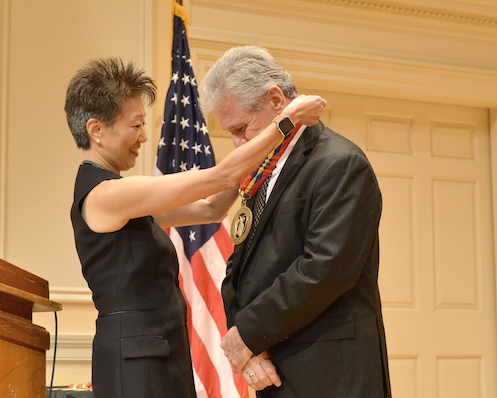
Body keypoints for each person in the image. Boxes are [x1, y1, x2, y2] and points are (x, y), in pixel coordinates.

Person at [64, 57, 326, 398]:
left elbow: (211, 208)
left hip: (161, 349)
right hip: (135, 359)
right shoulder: (105, 195)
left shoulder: (122, 198)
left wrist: (259, 154)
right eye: (135, 126)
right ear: (97, 130)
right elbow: (220, 177)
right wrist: (283, 123)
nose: (144, 136)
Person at [199, 46, 392, 397]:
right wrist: (244, 347)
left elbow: (326, 268)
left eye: (242, 128)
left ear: (275, 100)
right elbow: (239, 266)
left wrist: (248, 334)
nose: (238, 143)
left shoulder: (339, 163)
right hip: (275, 366)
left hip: (331, 371)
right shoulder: (262, 170)